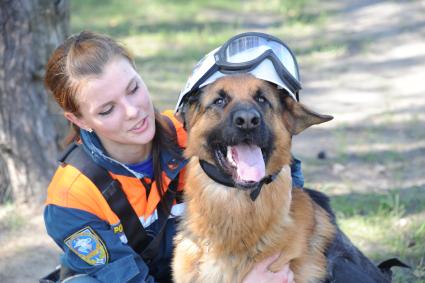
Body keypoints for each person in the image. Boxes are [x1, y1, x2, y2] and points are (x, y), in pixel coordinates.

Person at [43, 31, 300, 283]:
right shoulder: (71, 198)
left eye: (133, 89)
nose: (133, 111)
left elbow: (282, 167)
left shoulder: (193, 134)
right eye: (108, 110)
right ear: (78, 120)